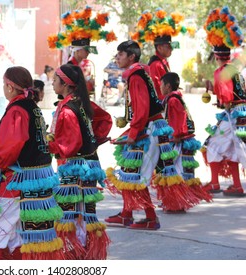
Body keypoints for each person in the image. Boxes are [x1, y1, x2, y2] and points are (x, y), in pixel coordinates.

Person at [0, 66, 64, 260]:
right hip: (37, 181)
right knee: (17, 236)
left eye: (4, 84)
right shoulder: (32, 107)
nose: (3, 88)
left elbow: (9, 149)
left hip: (17, 181)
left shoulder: (17, 110)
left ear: (11, 87)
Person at [104, 40, 195, 229]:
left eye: (120, 55)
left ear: (131, 57)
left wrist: (134, 131)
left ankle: (150, 218)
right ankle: (127, 214)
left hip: (149, 128)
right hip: (150, 126)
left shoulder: (136, 76)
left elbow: (143, 108)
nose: (117, 58)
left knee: (137, 173)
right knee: (132, 170)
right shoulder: (138, 74)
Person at [47, 64, 110, 260]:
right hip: (89, 164)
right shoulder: (81, 102)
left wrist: (48, 145)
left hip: (76, 166)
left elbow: (70, 145)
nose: (52, 82)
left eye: (55, 79)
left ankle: (76, 254)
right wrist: (93, 140)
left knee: (73, 213)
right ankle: (86, 253)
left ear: (65, 84)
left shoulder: (67, 110)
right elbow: (105, 119)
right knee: (85, 211)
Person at [201, 6, 246, 197]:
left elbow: (226, 100)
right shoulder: (235, 70)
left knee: (211, 145)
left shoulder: (221, 72)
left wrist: (218, 98)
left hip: (233, 113)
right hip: (242, 112)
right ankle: (236, 185)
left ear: (216, 57)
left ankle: (213, 183)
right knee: (233, 147)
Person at [161, 72, 212, 204]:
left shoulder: (172, 100)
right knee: (179, 170)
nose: (160, 87)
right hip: (180, 139)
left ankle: (178, 201)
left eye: (161, 84)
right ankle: (178, 199)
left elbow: (179, 118)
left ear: (167, 86)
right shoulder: (175, 98)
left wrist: (176, 135)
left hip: (178, 140)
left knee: (176, 172)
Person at [131, 9, 194, 101]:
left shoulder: (162, 62)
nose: (171, 48)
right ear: (159, 47)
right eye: (168, 46)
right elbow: (157, 91)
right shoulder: (156, 65)